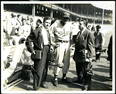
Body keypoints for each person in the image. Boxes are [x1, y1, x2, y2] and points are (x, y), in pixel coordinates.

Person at [50, 12, 73, 86]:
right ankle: (55, 77)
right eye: (64, 18)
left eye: (67, 18)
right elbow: (50, 33)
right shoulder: (56, 24)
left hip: (67, 44)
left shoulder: (69, 24)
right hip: (60, 43)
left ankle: (64, 76)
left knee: (67, 61)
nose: (66, 20)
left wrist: (72, 45)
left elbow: (72, 35)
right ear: (61, 18)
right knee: (58, 60)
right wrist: (53, 42)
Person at [73, 19, 94, 88]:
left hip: (84, 54)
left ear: (85, 25)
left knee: (85, 69)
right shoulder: (79, 32)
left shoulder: (88, 33)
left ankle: (86, 83)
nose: (79, 25)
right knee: (78, 68)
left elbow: (90, 46)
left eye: (80, 24)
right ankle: (80, 79)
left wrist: (90, 57)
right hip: (78, 54)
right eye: (79, 24)